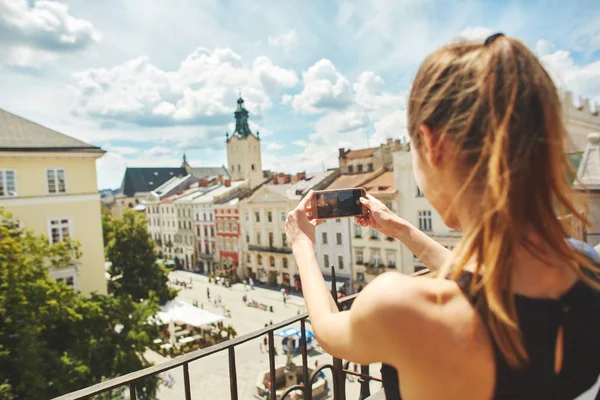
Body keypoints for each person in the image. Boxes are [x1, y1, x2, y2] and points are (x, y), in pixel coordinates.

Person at [285, 33, 600, 400]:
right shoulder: (585, 266)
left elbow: (328, 330)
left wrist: (301, 243)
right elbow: (486, 283)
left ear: (432, 143)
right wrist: (400, 229)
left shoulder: (406, 307)